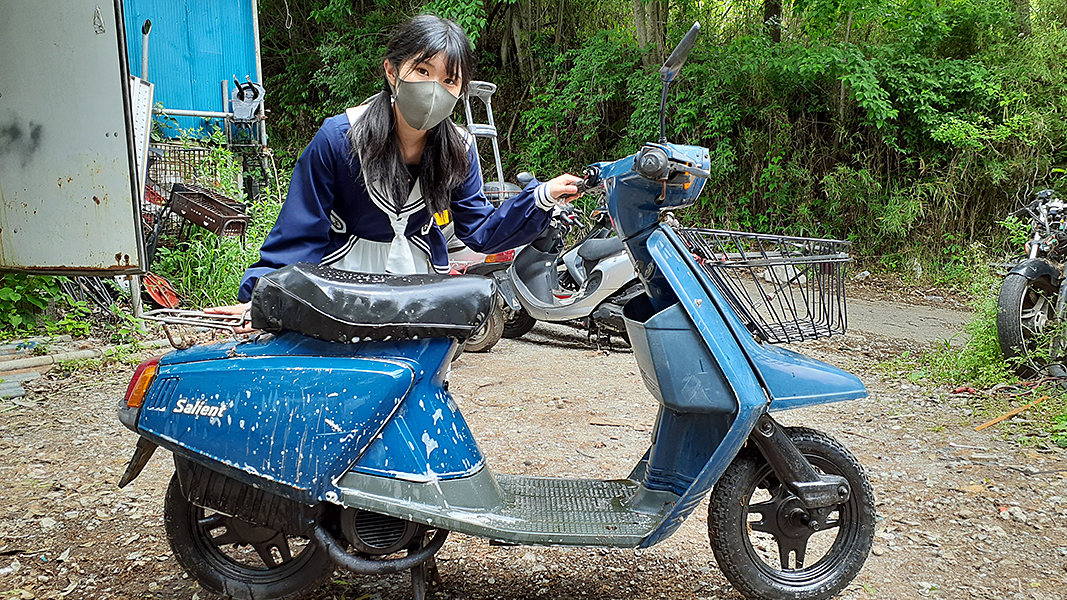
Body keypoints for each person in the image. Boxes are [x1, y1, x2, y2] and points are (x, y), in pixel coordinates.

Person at [209, 14, 582, 326]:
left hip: (420, 286)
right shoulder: (340, 139)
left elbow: (481, 231)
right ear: (392, 70)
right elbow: (299, 232)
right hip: (340, 283)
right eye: (422, 70)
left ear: (460, 89)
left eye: (449, 80)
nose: (434, 88)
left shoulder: (460, 149)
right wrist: (261, 299)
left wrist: (543, 196)